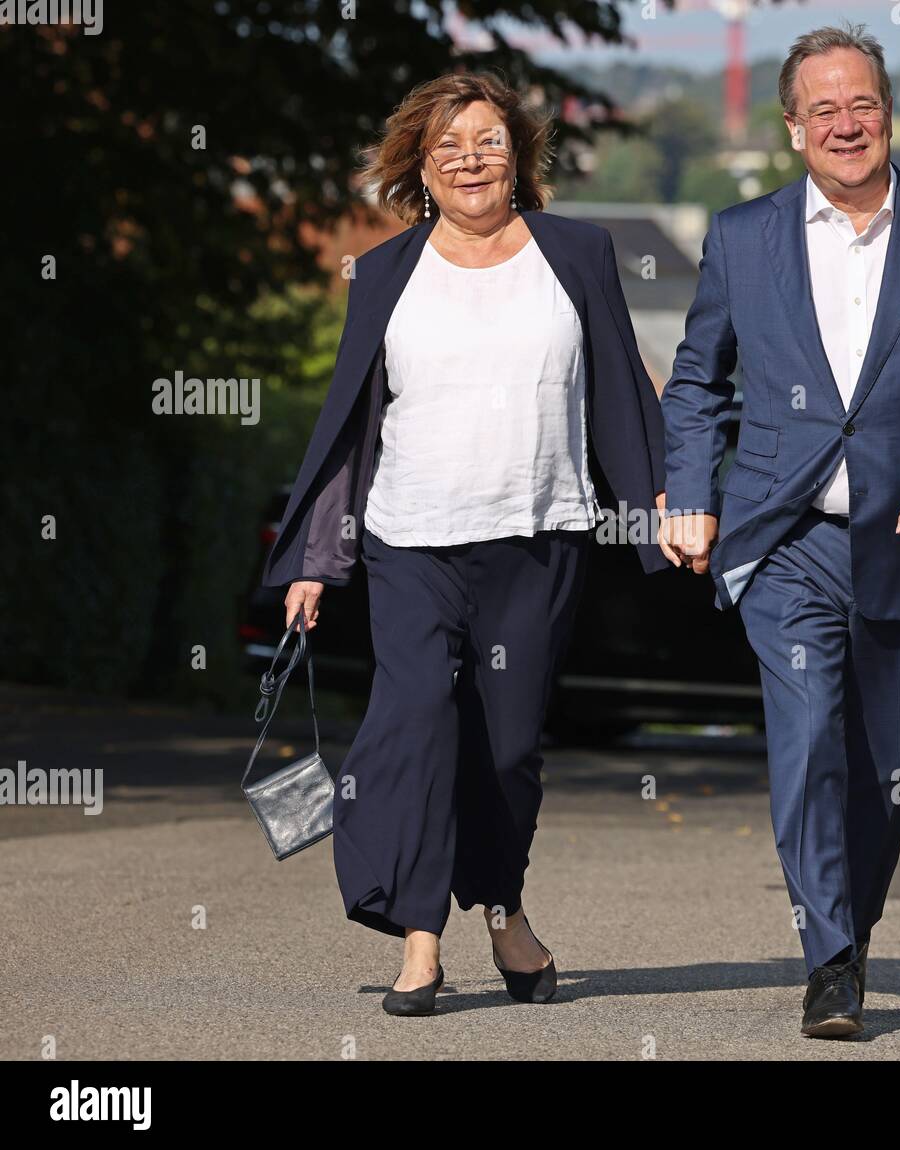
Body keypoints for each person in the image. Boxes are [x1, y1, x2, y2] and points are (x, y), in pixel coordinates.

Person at [261, 72, 673, 1016]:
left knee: (508, 747)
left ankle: (503, 910)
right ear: (420, 168)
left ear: (519, 155)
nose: (470, 160)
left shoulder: (578, 253)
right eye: (448, 147)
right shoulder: (385, 272)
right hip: (413, 543)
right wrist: (318, 562)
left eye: (488, 141)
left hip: (538, 538)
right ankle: (419, 938)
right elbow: (351, 423)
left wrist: (666, 504)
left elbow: (621, 392)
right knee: (412, 724)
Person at [659, 22, 900, 1038]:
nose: (845, 124)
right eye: (822, 108)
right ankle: (828, 958)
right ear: (791, 128)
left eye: (860, 103)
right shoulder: (742, 238)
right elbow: (696, 381)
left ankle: (848, 930)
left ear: (889, 112)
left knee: (883, 773)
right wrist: (691, 489)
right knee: (808, 735)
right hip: (784, 538)